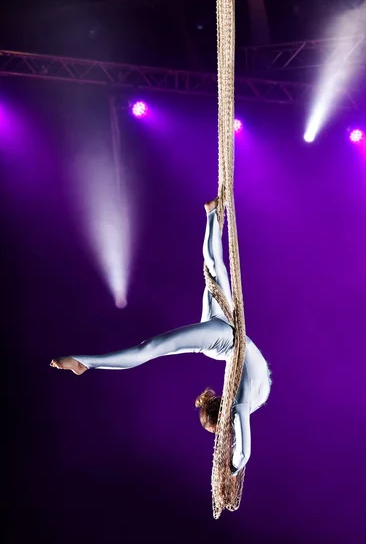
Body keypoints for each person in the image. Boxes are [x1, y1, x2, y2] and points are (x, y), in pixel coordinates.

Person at [50, 199, 271, 474]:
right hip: (224, 338)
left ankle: (212, 214)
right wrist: (234, 469)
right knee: (153, 346)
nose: (221, 434)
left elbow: (243, 446)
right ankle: (85, 362)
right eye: (217, 430)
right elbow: (244, 452)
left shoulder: (246, 400)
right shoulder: (239, 404)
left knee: (214, 270)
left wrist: (234, 466)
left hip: (225, 335)